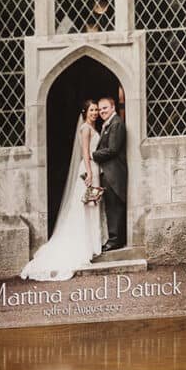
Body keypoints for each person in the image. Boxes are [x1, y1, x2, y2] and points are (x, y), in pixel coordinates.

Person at [21, 100, 104, 281]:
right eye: (92, 110)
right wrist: (89, 173)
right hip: (88, 169)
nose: (95, 113)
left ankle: (94, 241)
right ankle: (84, 244)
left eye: (96, 110)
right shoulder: (85, 129)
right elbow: (84, 152)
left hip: (95, 168)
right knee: (85, 205)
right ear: (85, 112)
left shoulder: (93, 127)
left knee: (93, 204)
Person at [92, 96, 128, 251]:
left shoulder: (117, 124)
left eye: (105, 108)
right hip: (107, 172)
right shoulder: (108, 124)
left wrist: (92, 155)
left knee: (114, 206)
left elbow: (113, 149)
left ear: (113, 107)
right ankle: (113, 238)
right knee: (110, 206)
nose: (102, 112)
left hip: (113, 173)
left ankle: (115, 241)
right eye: (100, 109)